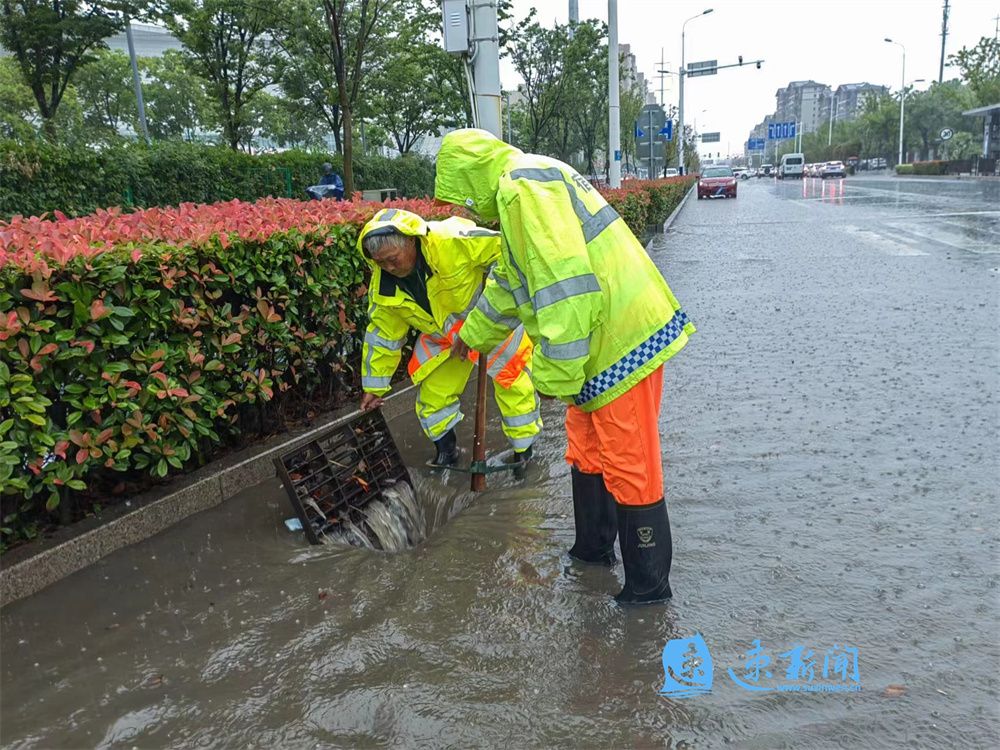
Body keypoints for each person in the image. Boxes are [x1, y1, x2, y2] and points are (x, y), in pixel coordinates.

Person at [434, 129, 695, 605]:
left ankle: (647, 590)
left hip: (619, 341)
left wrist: (554, 377)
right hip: (599, 345)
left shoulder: (521, 189)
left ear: (470, 178)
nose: (468, 212)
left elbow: (565, 290)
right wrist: (468, 340)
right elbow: (509, 287)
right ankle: (592, 553)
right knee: (588, 451)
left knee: (631, 465)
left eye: (463, 199)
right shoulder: (520, 190)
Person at [356, 208, 541, 469]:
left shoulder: (453, 240)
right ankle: (448, 454)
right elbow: (383, 335)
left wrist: (493, 304)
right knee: (433, 397)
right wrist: (374, 387)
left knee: (514, 384)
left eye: (393, 259)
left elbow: (509, 252)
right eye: (380, 262)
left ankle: (523, 454)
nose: (389, 268)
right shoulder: (384, 287)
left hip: (487, 324)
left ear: (411, 241)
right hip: (445, 338)